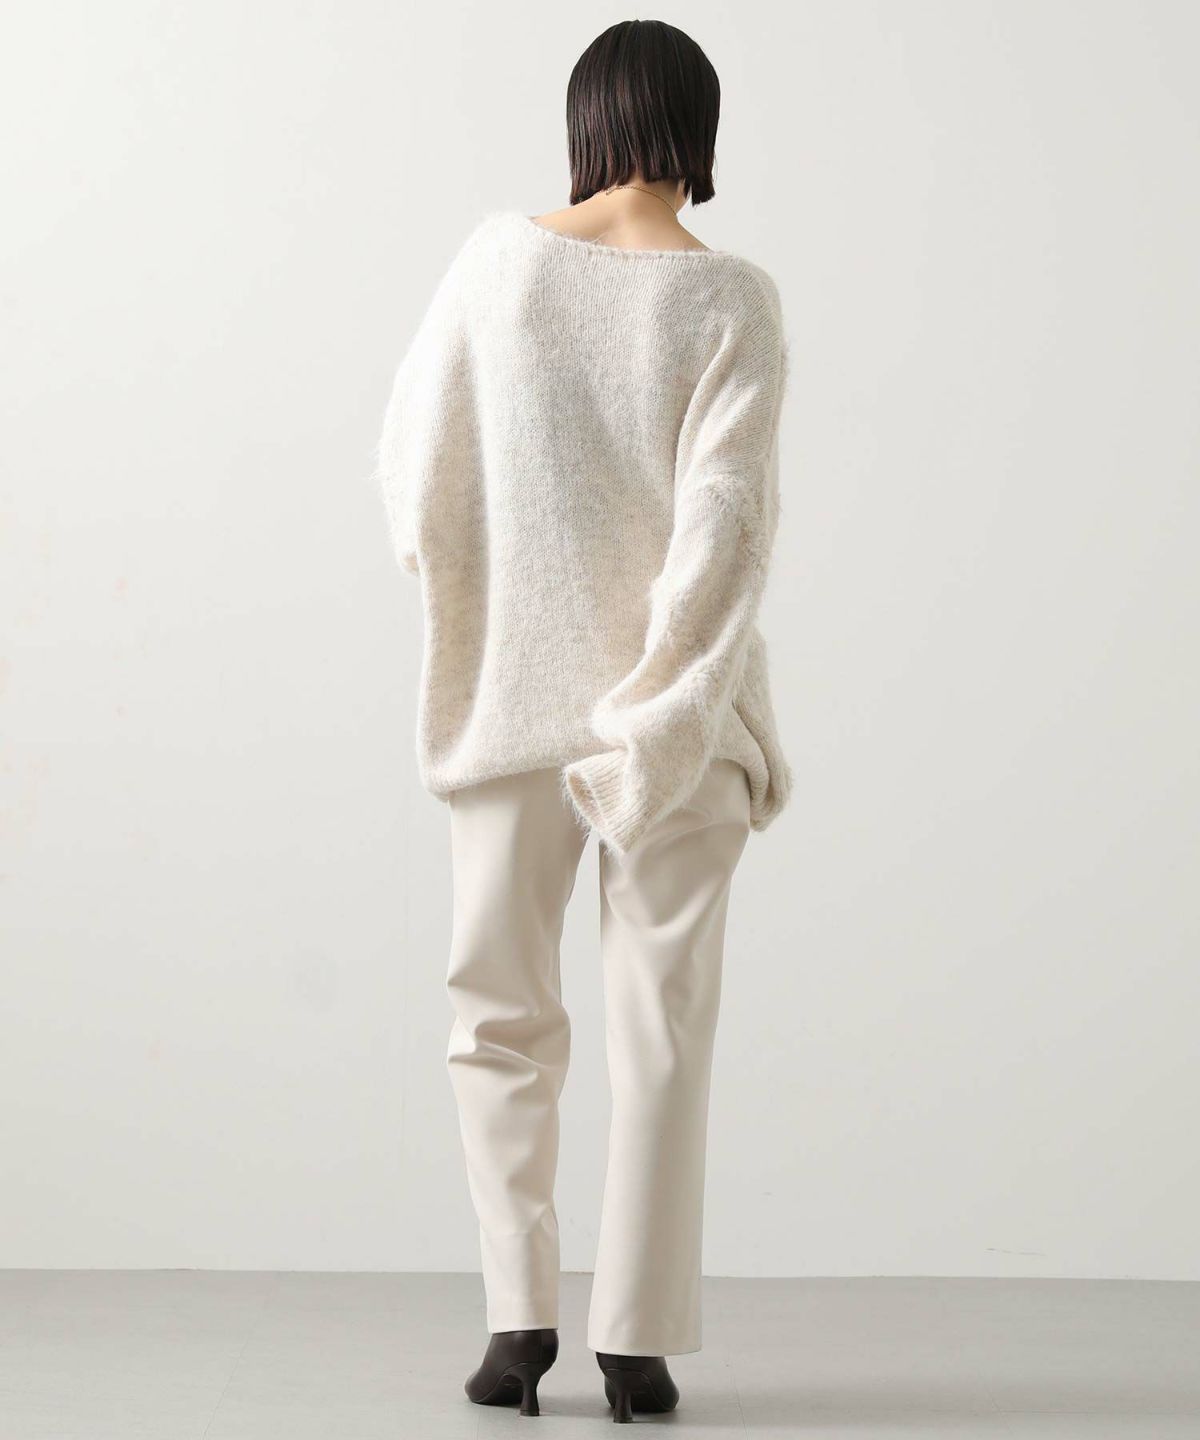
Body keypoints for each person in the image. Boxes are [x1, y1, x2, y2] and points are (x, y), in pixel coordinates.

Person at [375, 17, 792, 1423]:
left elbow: (410, 473)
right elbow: (727, 533)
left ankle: (517, 1326)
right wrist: (661, 710)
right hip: (687, 720)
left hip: (513, 704)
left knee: (497, 1015)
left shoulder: (496, 266)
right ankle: (636, 1344)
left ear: (588, 119)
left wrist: (495, 600)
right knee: (661, 1032)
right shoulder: (732, 299)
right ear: (698, 128)